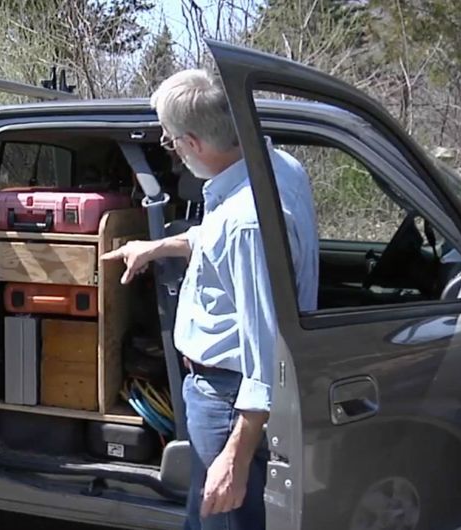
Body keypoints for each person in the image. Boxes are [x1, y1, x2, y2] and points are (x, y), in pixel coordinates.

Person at [102, 68, 319, 530]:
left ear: (194, 143)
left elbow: (265, 356)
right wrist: (159, 246)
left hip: (227, 400)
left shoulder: (247, 223)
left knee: (225, 519)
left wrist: (235, 459)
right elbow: (224, 238)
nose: (173, 151)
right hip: (222, 396)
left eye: (171, 142)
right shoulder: (275, 168)